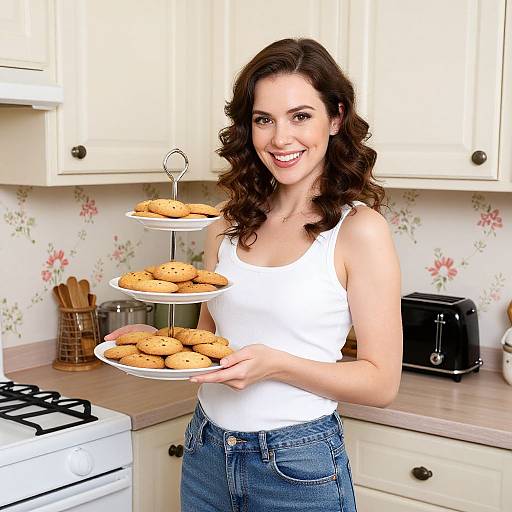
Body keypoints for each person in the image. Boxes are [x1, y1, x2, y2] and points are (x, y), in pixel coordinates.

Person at [106, 38, 402, 512]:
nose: (281, 138)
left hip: (297, 464)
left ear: (337, 117)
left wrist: (277, 364)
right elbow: (211, 341)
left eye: (300, 116)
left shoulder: (359, 231)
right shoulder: (227, 222)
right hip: (206, 449)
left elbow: (382, 382)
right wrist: (157, 343)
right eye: (264, 119)